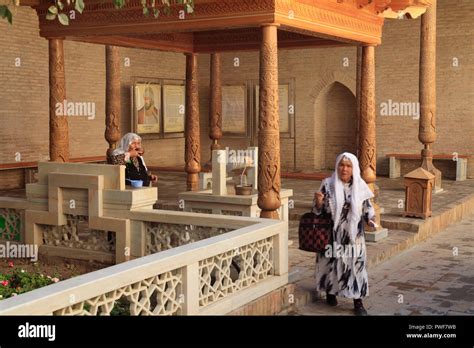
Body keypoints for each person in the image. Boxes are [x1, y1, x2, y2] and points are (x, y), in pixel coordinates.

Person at [313, 152, 377, 316]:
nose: (344, 169)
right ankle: (330, 291)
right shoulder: (328, 184)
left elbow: (368, 208)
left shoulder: (360, 186)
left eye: (348, 166)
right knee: (331, 264)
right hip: (331, 235)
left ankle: (358, 302)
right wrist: (319, 203)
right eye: (341, 165)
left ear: (354, 168)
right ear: (337, 166)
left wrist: (370, 220)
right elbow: (317, 212)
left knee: (355, 267)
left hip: (353, 236)